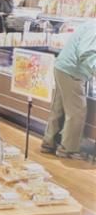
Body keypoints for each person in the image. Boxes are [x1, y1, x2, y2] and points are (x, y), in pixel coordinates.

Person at [41, 19, 96, 159]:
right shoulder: (94, 29)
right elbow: (87, 53)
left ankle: (49, 143)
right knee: (77, 111)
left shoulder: (90, 24)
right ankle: (68, 149)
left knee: (58, 109)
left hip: (63, 67)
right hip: (72, 71)